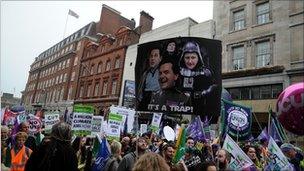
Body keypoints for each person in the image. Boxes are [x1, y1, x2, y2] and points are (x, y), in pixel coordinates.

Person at [178, 41, 217, 117]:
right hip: (181, 109)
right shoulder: (178, 72)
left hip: (200, 108)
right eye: (187, 57)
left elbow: (214, 86)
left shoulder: (206, 72)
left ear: (198, 57)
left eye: (193, 57)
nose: (190, 61)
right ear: (183, 58)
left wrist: (203, 93)